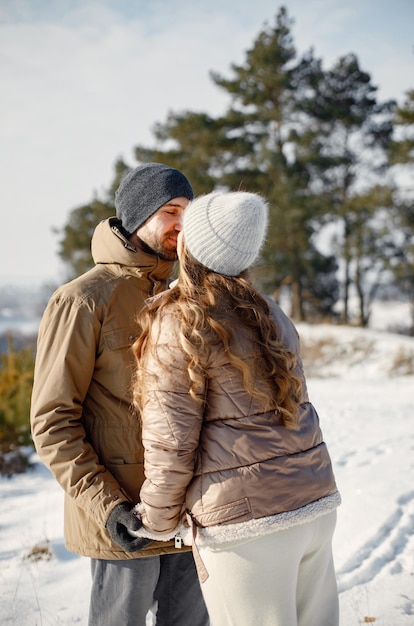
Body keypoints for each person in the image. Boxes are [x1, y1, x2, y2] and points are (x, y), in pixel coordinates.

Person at [132, 191, 342, 626]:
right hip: (314, 504)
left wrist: (152, 520)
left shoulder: (181, 321)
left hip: (248, 528)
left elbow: (171, 442)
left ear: (193, 245)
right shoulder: (269, 312)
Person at [30, 163, 209, 626]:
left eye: (188, 212)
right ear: (137, 217)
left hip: (188, 518)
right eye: (171, 211)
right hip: (124, 524)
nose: (181, 224)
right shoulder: (83, 299)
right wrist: (109, 508)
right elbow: (52, 422)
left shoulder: (181, 296)